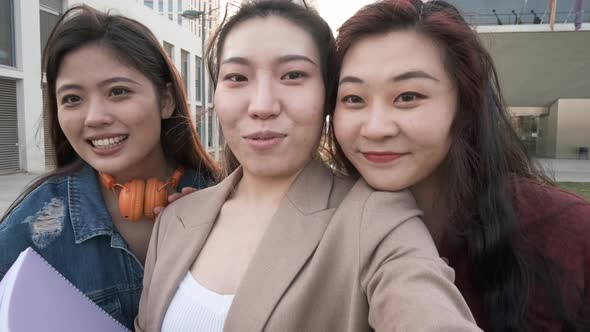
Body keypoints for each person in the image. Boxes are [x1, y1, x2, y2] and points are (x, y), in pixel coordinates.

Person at [136, 1, 481, 331]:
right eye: (237, 77)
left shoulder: (374, 220)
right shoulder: (176, 219)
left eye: (293, 75)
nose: (262, 105)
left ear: (328, 97)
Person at [328, 0, 590, 331]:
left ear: (465, 104)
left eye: (408, 96)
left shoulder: (567, 236)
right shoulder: (320, 231)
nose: (376, 127)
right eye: (353, 98)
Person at [0, 6, 219, 330]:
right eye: (72, 99)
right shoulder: (37, 224)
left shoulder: (225, 203)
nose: (94, 117)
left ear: (165, 100)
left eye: (118, 92)